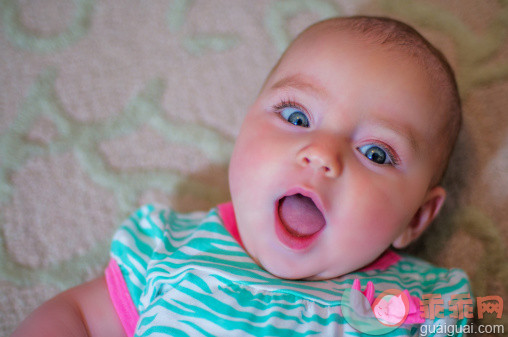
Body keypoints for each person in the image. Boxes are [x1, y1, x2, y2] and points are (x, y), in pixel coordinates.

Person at [12, 16, 471, 337]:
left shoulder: (417, 302)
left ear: (417, 218)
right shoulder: (169, 250)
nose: (321, 153)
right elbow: (78, 318)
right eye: (295, 117)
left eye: (375, 152)